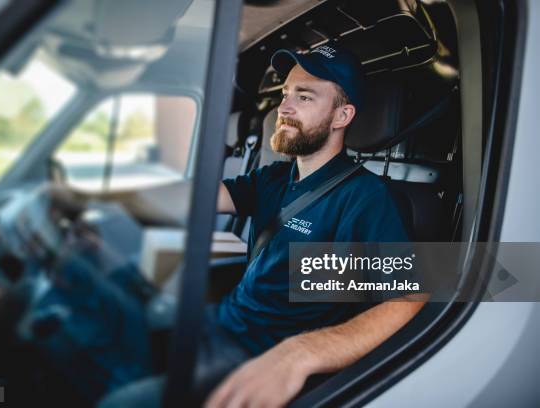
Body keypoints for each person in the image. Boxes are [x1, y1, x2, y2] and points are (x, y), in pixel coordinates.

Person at [98, 41, 426, 407]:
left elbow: (409, 299)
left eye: (304, 97)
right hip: (222, 323)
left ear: (341, 116)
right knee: (92, 335)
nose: (283, 107)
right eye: (285, 93)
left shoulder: (367, 197)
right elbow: (200, 197)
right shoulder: (276, 178)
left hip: (258, 356)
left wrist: (300, 353)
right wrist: (112, 200)